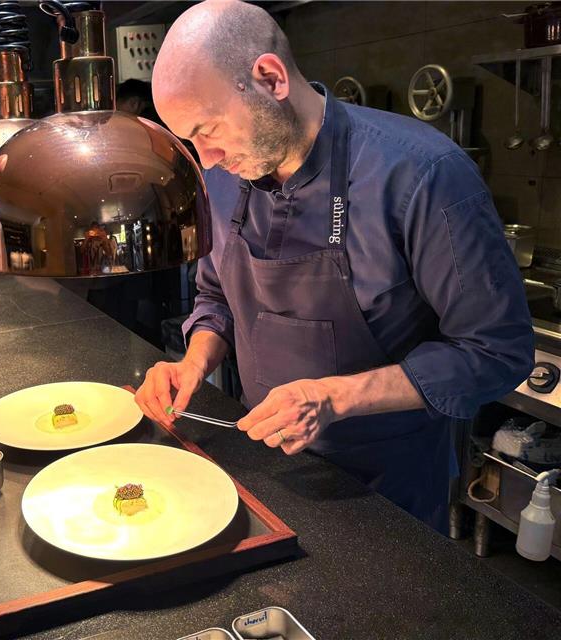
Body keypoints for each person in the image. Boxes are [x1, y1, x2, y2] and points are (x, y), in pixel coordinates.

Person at [135, 0, 533, 532]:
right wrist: (194, 363)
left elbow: (497, 351)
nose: (205, 158)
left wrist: (332, 397)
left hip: (391, 486)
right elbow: (216, 297)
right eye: (190, 139)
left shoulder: (423, 173)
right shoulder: (228, 174)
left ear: (270, 78)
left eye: (207, 129)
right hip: (268, 465)